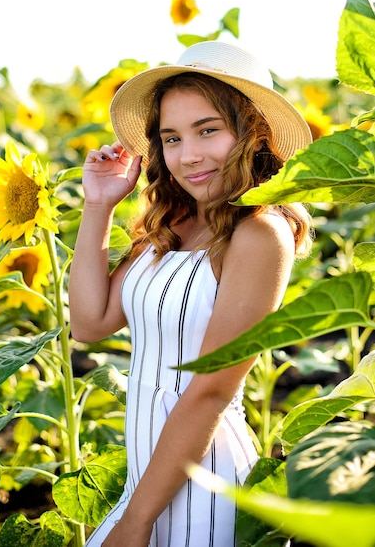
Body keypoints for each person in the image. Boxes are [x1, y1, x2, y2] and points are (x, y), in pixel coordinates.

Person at [69, 41, 313, 547]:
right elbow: (89, 324)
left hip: (208, 489)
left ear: (253, 134)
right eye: (172, 138)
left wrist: (136, 523)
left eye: (208, 130)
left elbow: (210, 391)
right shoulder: (174, 222)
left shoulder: (260, 234)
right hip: (147, 483)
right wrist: (98, 206)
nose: (189, 155)